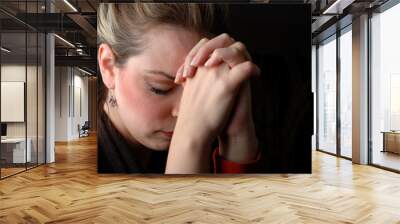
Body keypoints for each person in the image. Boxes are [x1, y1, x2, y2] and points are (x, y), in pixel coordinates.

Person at [97, 3, 261, 174]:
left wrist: (236, 135)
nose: (186, 111)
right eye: (160, 88)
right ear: (108, 66)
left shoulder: (210, 131)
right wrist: (189, 143)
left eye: (199, 87)